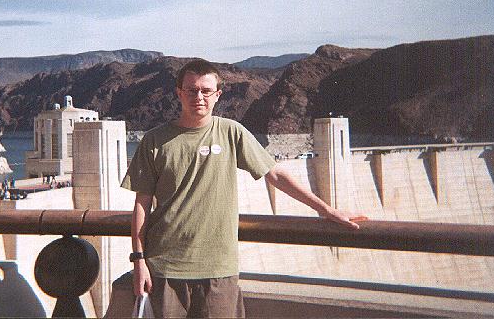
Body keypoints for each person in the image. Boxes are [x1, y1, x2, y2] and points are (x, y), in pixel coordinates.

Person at [121, 58, 364, 318]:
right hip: (164, 269)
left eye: (206, 91)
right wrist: (139, 260)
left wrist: (326, 210)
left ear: (217, 95)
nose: (199, 97)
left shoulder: (231, 133)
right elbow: (141, 205)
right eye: (191, 90)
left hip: (218, 269)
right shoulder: (154, 141)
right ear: (179, 93)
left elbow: (276, 175)